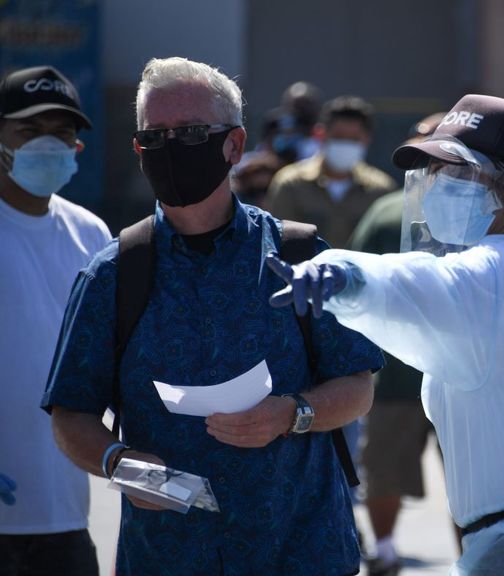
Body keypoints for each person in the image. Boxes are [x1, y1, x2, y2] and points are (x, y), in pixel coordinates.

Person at [266, 94, 504, 575]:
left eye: (461, 173)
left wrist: (338, 277)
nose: (443, 187)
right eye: (438, 173)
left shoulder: (498, 271)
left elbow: (409, 280)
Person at [40, 57, 384, 576]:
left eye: (192, 131)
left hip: (301, 551)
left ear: (235, 145)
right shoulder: (113, 274)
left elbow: (357, 384)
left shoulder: (298, 255)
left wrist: (292, 413)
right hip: (169, 557)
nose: (171, 146)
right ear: (138, 150)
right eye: (154, 136)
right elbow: (70, 413)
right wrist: (118, 462)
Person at [0, 65, 111, 575]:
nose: (47, 144)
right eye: (28, 130)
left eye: (61, 133)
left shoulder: (91, 234)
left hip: (64, 514)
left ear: (78, 149)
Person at [347, 112, 456, 576]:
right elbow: (355, 287)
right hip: (396, 375)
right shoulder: (388, 211)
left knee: (470, 476)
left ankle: (476, 558)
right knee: (385, 468)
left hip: (458, 376)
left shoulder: (483, 215)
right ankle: (387, 551)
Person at [267, 94, 397, 249]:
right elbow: (276, 243)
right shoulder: (290, 184)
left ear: (367, 139)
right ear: (321, 134)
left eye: (354, 139)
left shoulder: (381, 190)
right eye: (339, 137)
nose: (346, 145)